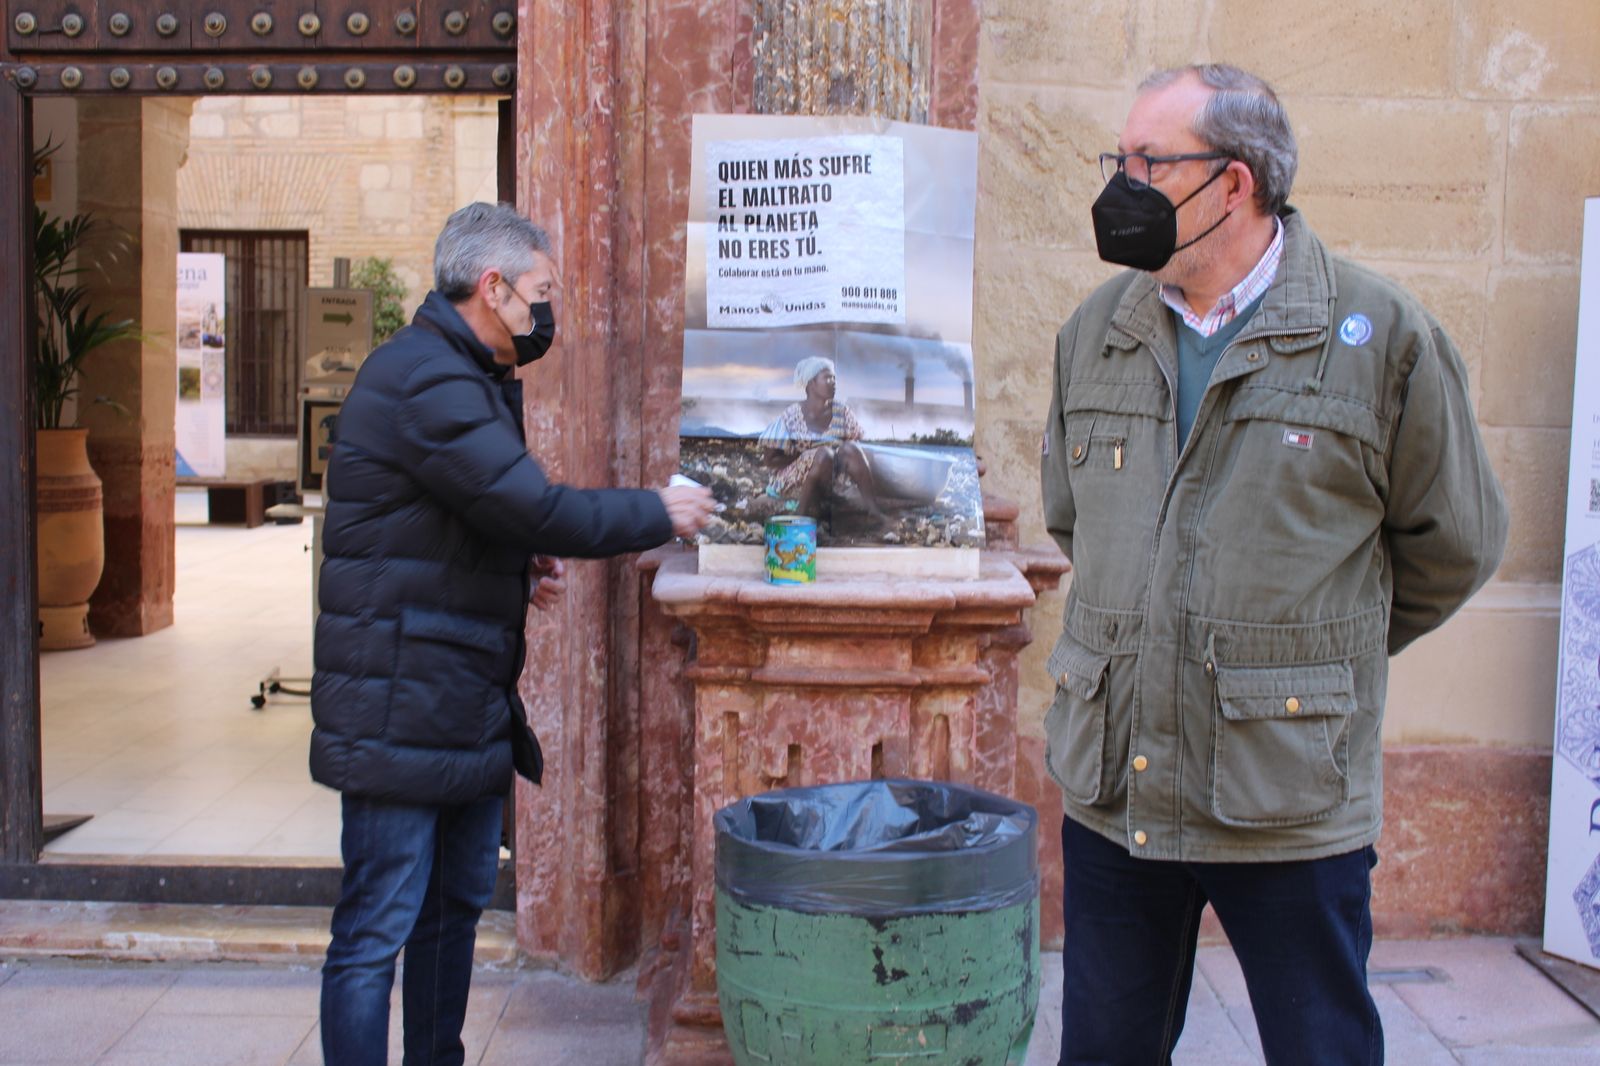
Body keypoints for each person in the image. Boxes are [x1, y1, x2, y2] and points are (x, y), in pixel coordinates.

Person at [1039, 65, 1508, 1065]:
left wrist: (1309, 663)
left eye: (1148, 162)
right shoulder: (1096, 333)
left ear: (1234, 182)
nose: (1121, 184)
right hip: (1119, 792)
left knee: (1320, 1050)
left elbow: (1455, 543)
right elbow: (1077, 522)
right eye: (1119, 158)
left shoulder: (1380, 338)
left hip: (1285, 799)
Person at [310, 202, 714, 1066]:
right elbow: (533, 504)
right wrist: (660, 510)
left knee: (451, 914)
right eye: (541, 292)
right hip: (398, 704)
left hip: (451, 698)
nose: (547, 311)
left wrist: (511, 560)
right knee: (376, 931)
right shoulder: (429, 380)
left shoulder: (462, 375)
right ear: (491, 288)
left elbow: (448, 517)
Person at [758, 356, 887, 523]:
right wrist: (804, 455)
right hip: (796, 482)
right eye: (827, 378)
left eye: (834, 378)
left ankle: (873, 510)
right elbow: (769, 460)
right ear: (811, 383)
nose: (833, 382)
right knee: (824, 453)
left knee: (851, 448)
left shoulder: (842, 412)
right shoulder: (791, 416)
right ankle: (801, 513)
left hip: (831, 477)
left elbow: (858, 448)